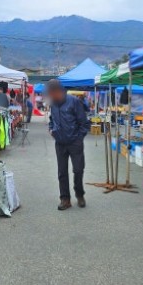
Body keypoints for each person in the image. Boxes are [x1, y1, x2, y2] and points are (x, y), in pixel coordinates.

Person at [47, 79, 90, 210]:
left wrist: (78, 139)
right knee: (62, 172)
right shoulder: (52, 104)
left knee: (78, 169)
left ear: (59, 91)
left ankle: (79, 194)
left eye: (53, 93)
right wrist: (51, 130)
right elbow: (51, 119)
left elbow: (84, 124)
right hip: (60, 143)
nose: (52, 96)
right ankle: (65, 199)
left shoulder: (74, 101)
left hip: (74, 143)